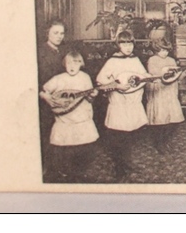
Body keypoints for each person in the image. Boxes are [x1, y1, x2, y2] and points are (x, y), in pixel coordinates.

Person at [96, 31, 150, 180]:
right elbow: (100, 81)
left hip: (133, 104)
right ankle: (119, 167)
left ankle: (126, 163)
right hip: (119, 106)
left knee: (129, 136)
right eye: (124, 43)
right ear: (118, 45)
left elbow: (143, 75)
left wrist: (151, 77)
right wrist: (117, 86)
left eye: (130, 43)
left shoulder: (135, 59)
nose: (128, 47)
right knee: (119, 138)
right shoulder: (113, 61)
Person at [40, 51, 98, 182]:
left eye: (76, 63)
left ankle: (79, 173)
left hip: (82, 120)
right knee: (65, 152)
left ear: (81, 64)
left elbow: (89, 99)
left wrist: (92, 96)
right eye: (69, 63)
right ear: (64, 64)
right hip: (64, 121)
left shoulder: (85, 77)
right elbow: (44, 91)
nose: (72, 66)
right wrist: (48, 98)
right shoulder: (59, 79)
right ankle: (67, 175)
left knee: (84, 150)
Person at [37, 20, 67, 180]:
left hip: (60, 99)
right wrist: (43, 95)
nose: (59, 36)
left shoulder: (63, 52)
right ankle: (46, 171)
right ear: (47, 33)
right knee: (46, 134)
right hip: (44, 100)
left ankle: (58, 169)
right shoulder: (40, 52)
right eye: (55, 33)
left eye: (62, 33)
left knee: (59, 133)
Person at [145, 38, 185, 152]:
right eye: (162, 50)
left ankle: (166, 140)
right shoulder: (152, 60)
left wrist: (181, 73)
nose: (165, 52)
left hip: (170, 92)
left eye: (167, 50)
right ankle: (159, 142)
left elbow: (176, 75)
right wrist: (167, 72)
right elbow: (156, 74)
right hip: (160, 92)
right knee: (161, 120)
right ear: (157, 49)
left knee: (173, 120)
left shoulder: (172, 60)